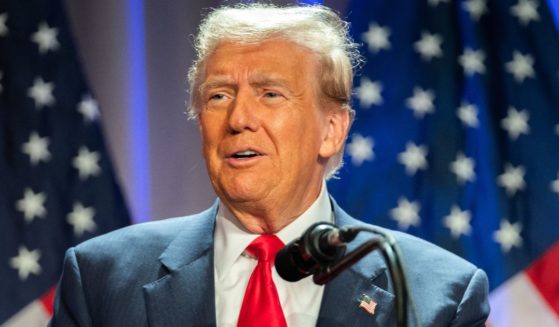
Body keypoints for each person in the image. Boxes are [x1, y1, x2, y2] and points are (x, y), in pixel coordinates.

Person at [50, 4, 489, 326]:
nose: (238, 119)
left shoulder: (438, 295)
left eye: (270, 94)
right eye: (218, 95)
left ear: (332, 130)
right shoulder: (101, 279)